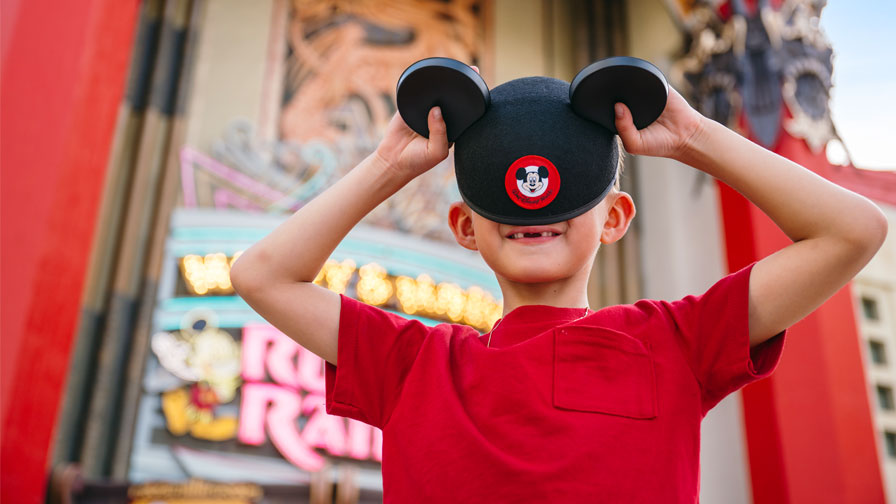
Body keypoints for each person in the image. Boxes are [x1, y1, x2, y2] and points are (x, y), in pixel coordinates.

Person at [230, 64, 888, 501]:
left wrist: (691, 136)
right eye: (505, 193)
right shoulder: (412, 365)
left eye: (565, 189)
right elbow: (260, 275)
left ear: (615, 219)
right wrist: (385, 167)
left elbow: (852, 231)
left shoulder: (675, 344)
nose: (534, 199)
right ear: (464, 227)